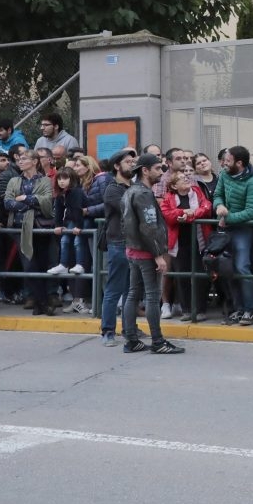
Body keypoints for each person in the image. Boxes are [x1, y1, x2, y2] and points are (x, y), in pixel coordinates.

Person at [120, 153, 184, 354]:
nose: (161, 172)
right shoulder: (144, 194)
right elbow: (149, 226)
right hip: (147, 253)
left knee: (133, 294)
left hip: (133, 250)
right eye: (157, 168)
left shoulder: (130, 191)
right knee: (152, 295)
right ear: (145, 170)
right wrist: (158, 254)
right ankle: (158, 341)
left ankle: (131, 339)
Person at [212, 145, 253, 325]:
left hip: (243, 230)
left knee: (242, 267)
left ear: (239, 163)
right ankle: (237, 308)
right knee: (228, 269)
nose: (224, 164)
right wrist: (219, 206)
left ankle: (249, 309)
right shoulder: (225, 175)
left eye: (228, 161)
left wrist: (229, 218)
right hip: (226, 229)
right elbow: (217, 195)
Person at [5, 150, 55, 315]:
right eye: (19, 159)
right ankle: (43, 302)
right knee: (29, 265)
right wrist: (31, 202)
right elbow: (8, 202)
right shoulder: (14, 180)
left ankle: (40, 304)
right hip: (19, 228)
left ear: (35, 161)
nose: (20, 161)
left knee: (41, 265)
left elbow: (47, 201)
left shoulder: (45, 180)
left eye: (24, 158)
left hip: (39, 229)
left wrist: (24, 198)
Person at [96, 149, 138, 346]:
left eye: (133, 161)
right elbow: (131, 207)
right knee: (114, 288)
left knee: (132, 289)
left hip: (135, 243)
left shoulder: (135, 186)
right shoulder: (113, 189)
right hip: (118, 243)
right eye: (128, 161)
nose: (132, 164)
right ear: (116, 166)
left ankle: (129, 328)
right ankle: (108, 331)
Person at [160, 169, 212, 321]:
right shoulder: (169, 197)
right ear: (174, 186)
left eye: (186, 177)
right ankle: (187, 310)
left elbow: (207, 207)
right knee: (181, 276)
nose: (186, 179)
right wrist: (183, 212)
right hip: (179, 243)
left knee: (201, 276)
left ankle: (201, 310)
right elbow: (168, 214)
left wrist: (192, 214)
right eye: (182, 178)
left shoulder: (196, 191)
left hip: (199, 241)